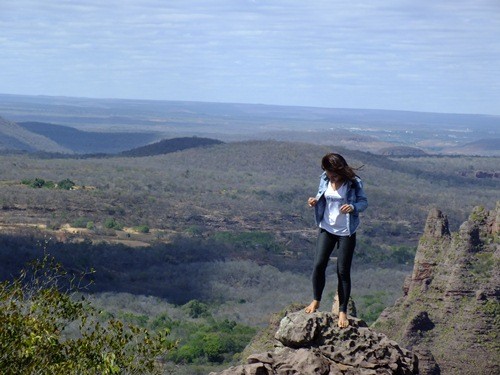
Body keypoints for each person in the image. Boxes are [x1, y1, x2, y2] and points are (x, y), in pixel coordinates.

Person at [304, 152, 368, 328]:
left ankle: (342, 311)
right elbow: (321, 196)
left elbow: (364, 203)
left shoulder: (354, 183)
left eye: (334, 172)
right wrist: (314, 201)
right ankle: (316, 300)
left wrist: (353, 207)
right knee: (319, 264)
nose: (331, 175)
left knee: (342, 271)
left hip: (346, 230)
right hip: (327, 227)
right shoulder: (324, 179)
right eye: (328, 171)